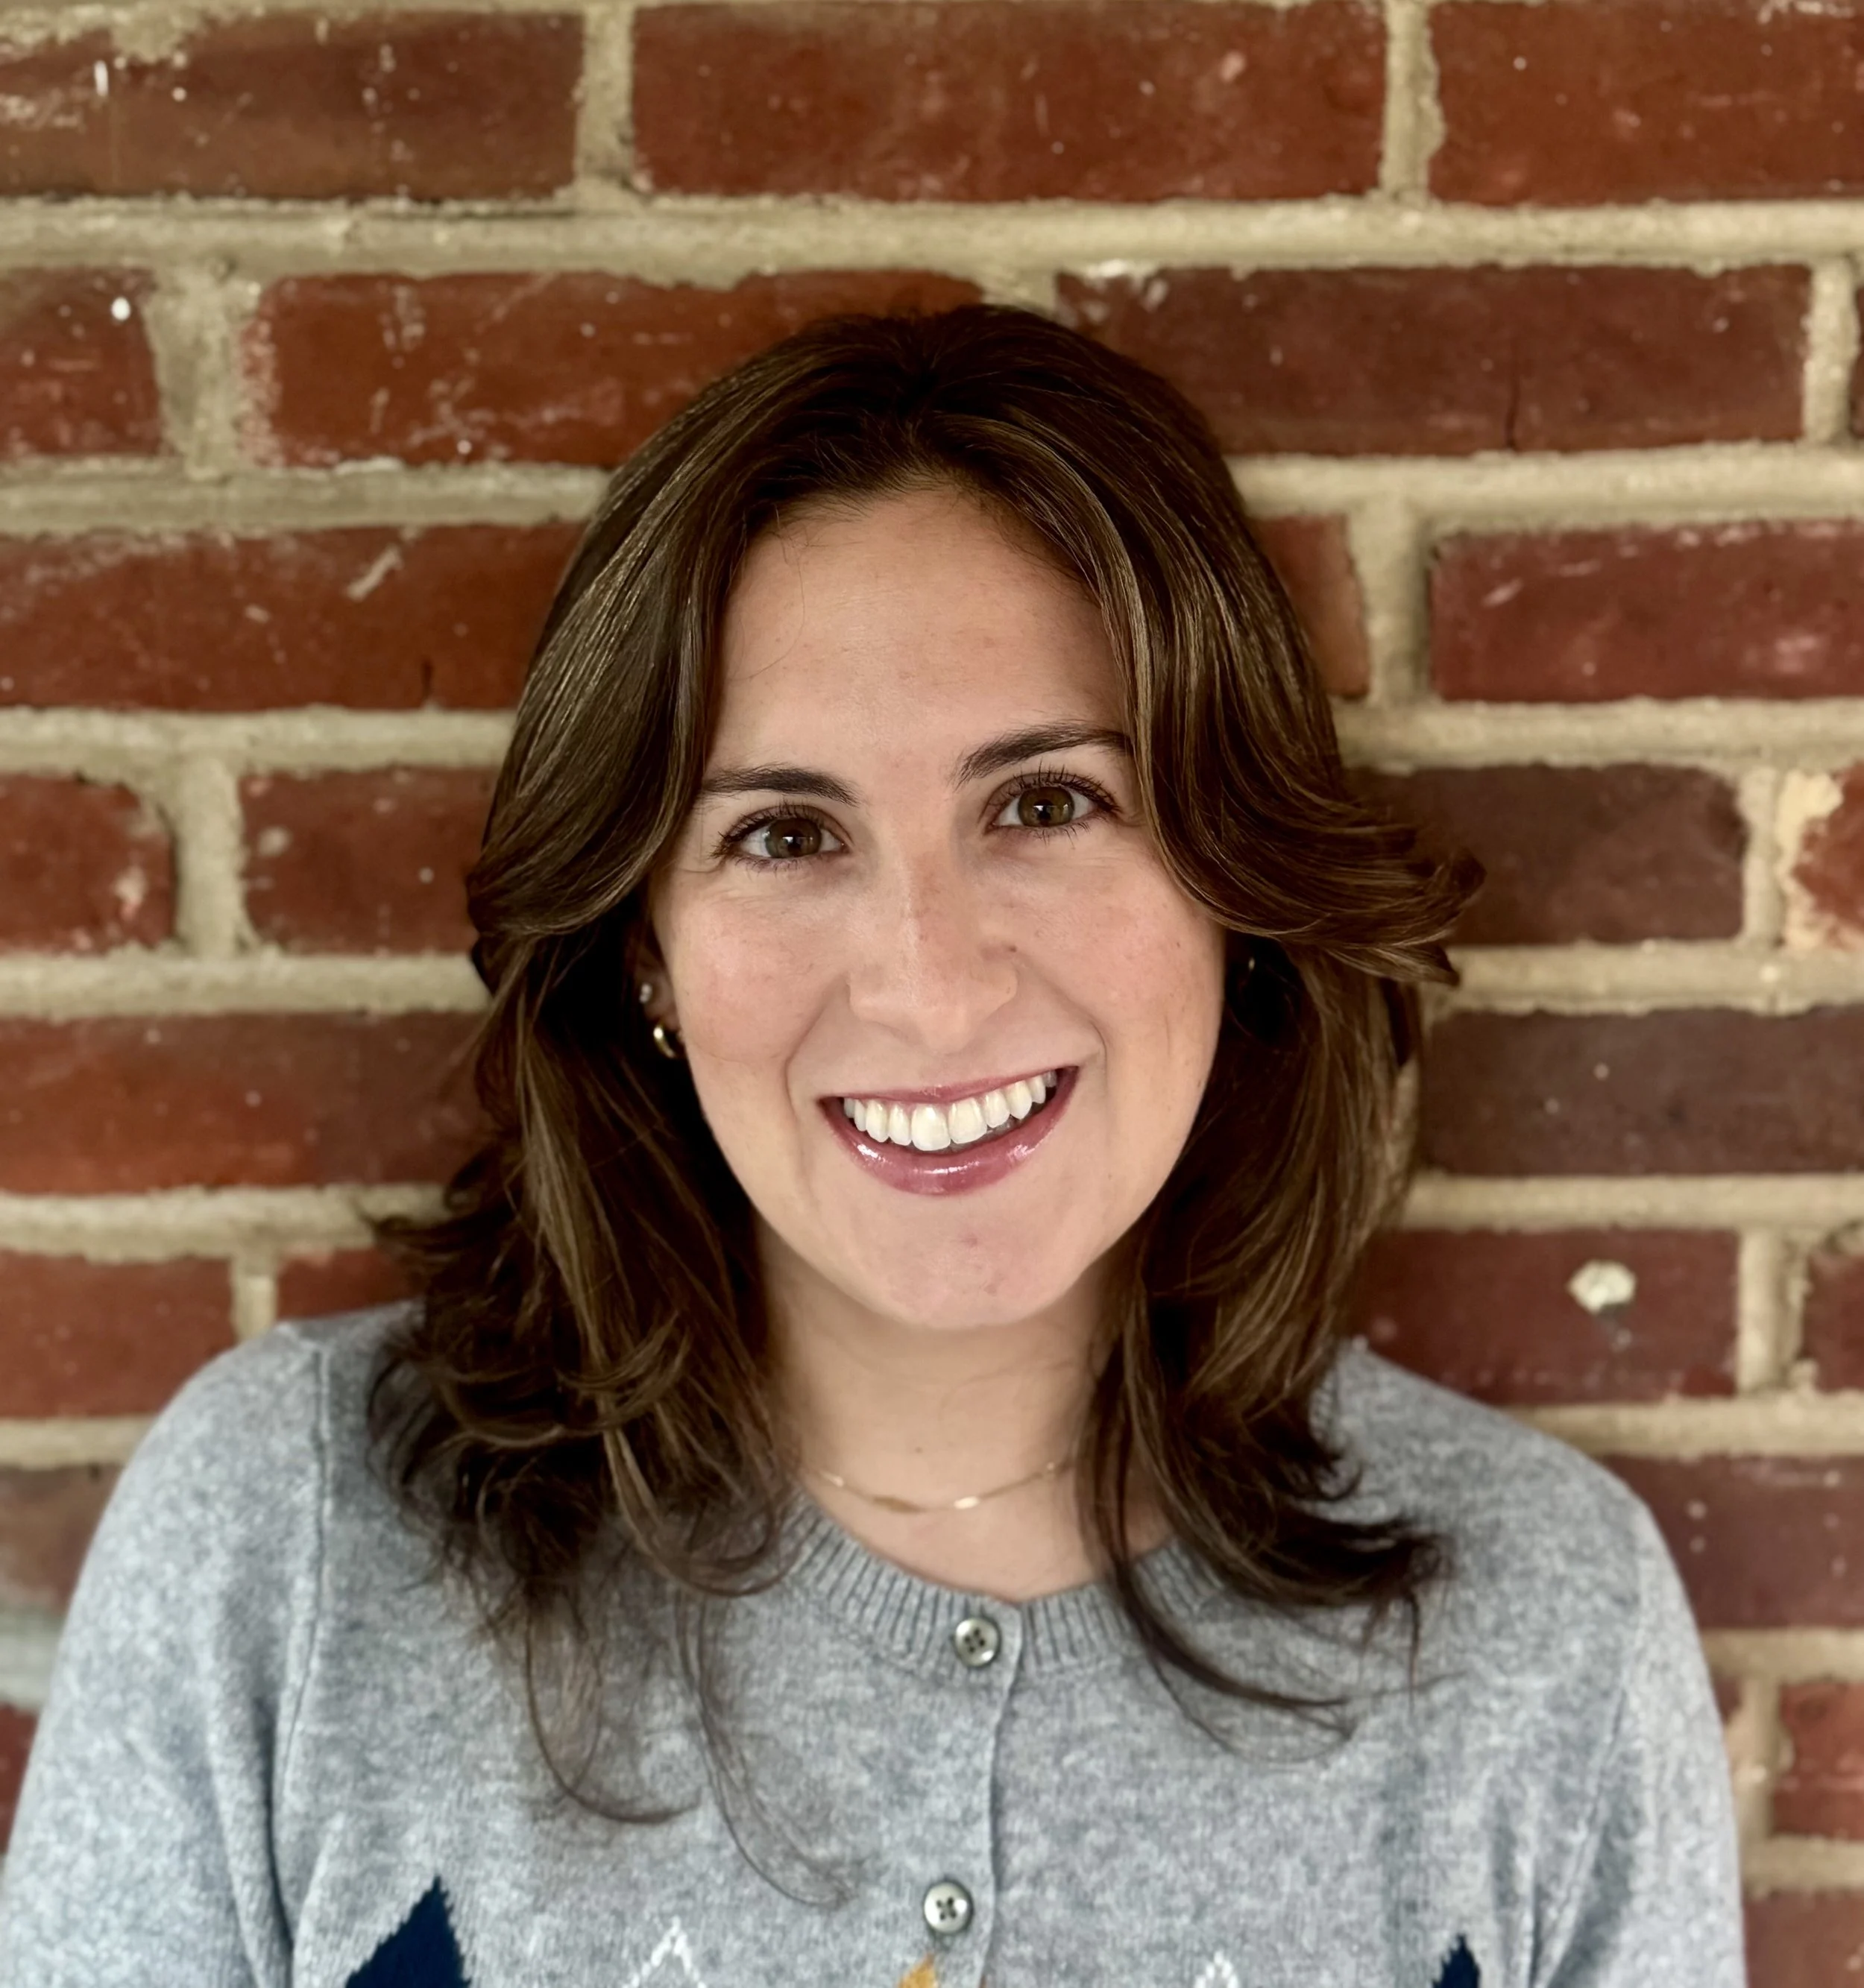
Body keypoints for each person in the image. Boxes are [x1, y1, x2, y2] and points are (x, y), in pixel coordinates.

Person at [0, 305, 1742, 1988]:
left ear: (1236, 879)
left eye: (1045, 804)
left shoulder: (1540, 1629)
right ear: (642, 950)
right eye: (781, 833)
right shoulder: (291, 1550)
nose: (927, 985)